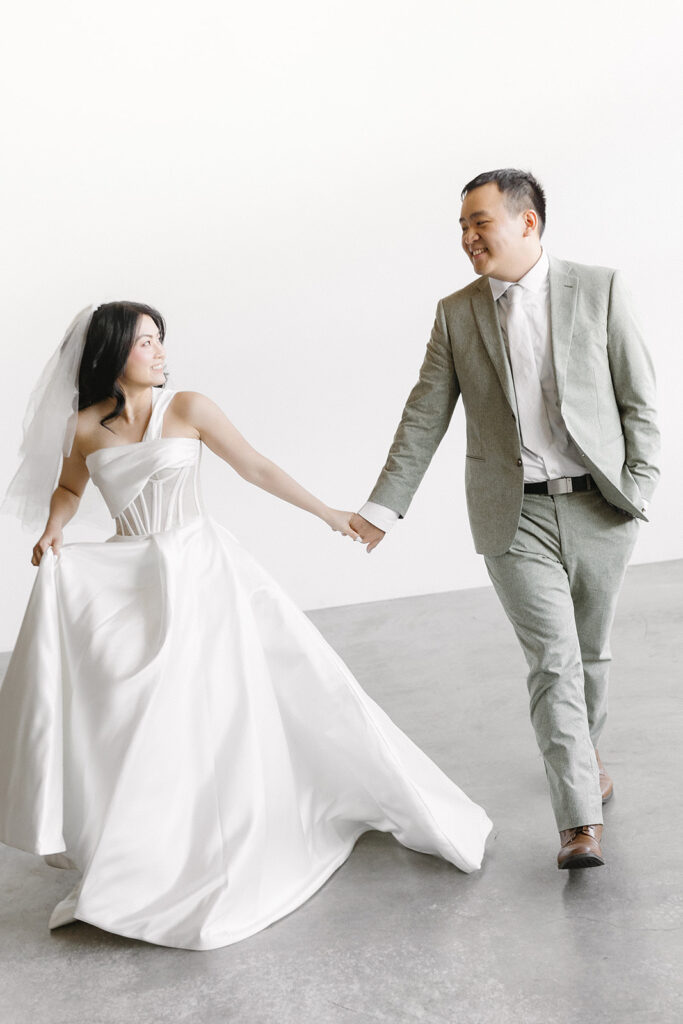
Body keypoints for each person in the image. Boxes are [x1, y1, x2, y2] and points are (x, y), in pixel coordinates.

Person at [0, 302, 491, 950]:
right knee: (136, 712)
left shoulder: (190, 407)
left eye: (159, 339)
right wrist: (54, 530)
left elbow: (254, 466)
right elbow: (68, 489)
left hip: (201, 569)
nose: (158, 350)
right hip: (132, 577)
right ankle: (146, 850)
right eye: (144, 341)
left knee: (225, 705)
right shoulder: (85, 427)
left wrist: (326, 512)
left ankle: (225, 837)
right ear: (111, 351)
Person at [350, 169, 660, 870]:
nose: (466, 238)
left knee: (590, 656)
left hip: (600, 506)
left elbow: (637, 397)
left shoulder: (599, 288)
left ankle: (585, 753)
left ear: (527, 223)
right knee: (551, 663)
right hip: (511, 514)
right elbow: (424, 414)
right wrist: (382, 506)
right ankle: (578, 821)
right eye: (460, 226)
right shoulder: (456, 313)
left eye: (478, 222)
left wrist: (638, 485)